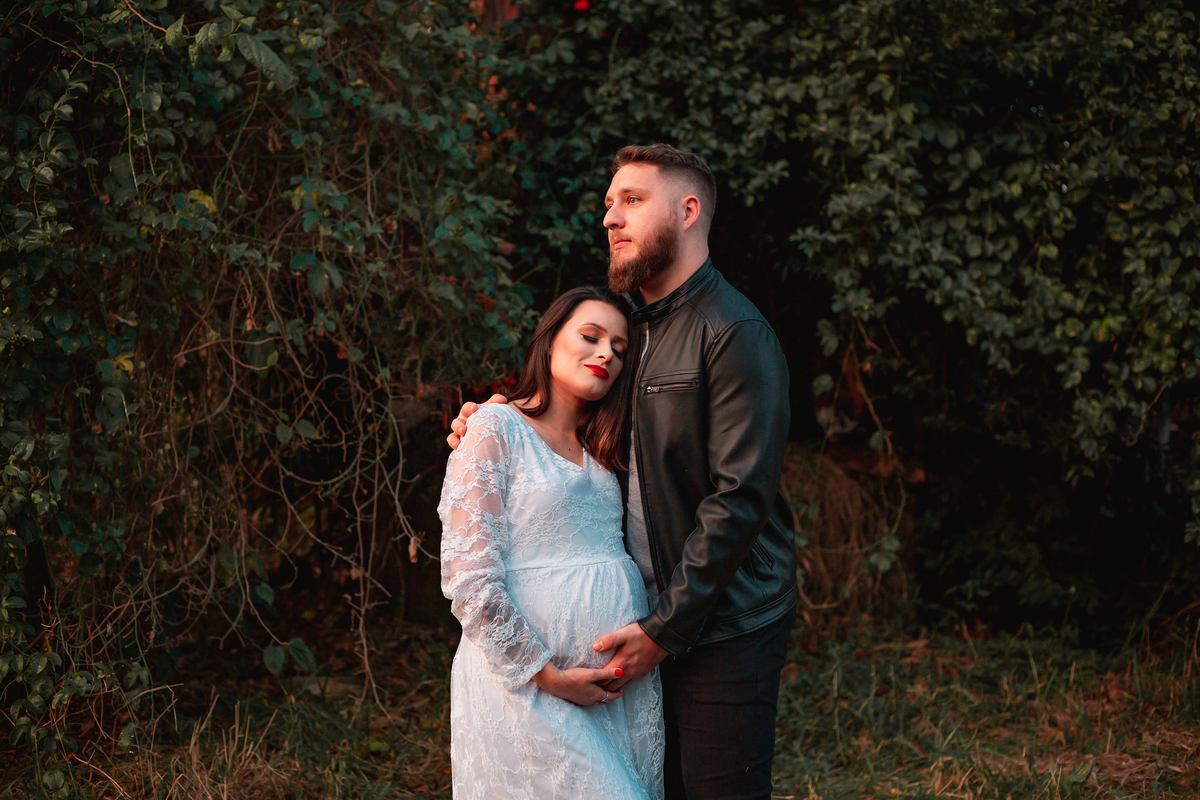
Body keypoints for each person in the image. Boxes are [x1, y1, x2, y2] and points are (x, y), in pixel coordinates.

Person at [449, 144, 796, 800]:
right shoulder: (633, 331)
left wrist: (664, 631)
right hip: (643, 628)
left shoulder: (733, 331)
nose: (610, 217)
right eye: (609, 203)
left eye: (632, 200)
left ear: (687, 211)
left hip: (721, 626)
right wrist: (496, 416)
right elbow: (567, 424)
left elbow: (740, 497)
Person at [438, 286, 665, 800]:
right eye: (591, 336)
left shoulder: (606, 443)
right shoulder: (494, 427)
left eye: (619, 349)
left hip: (619, 693)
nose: (606, 354)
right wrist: (548, 676)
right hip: (531, 687)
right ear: (550, 339)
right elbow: (469, 579)